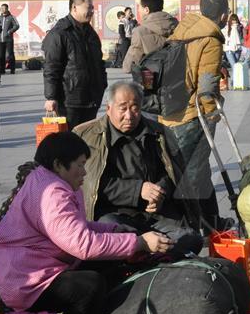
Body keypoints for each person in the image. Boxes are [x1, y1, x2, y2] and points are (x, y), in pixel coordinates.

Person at [0, 131, 173, 314]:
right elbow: (81, 244)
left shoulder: (48, 180)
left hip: (35, 267)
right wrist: (139, 242)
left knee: (109, 263)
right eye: (80, 165)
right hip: (24, 280)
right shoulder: (52, 193)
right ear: (58, 164)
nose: (85, 172)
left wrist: (117, 232)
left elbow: (77, 227)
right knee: (90, 286)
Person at [73, 81, 204, 254]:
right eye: (123, 108)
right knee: (112, 233)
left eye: (135, 108)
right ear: (109, 108)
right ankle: (144, 252)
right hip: (114, 215)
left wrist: (159, 193)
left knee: (191, 239)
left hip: (154, 214)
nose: (129, 115)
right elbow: (89, 184)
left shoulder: (158, 133)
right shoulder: (86, 135)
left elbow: (172, 175)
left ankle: (147, 256)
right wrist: (138, 190)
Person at [158, 0, 231, 231]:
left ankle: (210, 221)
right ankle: (193, 226)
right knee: (193, 175)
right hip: (191, 115)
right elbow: (207, 85)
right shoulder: (210, 38)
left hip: (169, 113)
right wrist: (212, 114)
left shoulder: (182, 31)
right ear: (222, 14)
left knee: (191, 172)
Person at [42, 0, 108, 131]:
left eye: (92, 8)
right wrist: (51, 97)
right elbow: (51, 67)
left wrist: (102, 84)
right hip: (69, 100)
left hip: (91, 98)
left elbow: (98, 62)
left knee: (87, 141)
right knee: (69, 143)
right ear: (74, 8)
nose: (91, 11)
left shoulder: (90, 33)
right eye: (88, 8)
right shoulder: (60, 33)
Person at [122, 0, 178, 73]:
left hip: (152, 81)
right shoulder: (178, 26)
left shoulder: (139, 32)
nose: (138, 10)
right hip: (177, 81)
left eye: (139, 7)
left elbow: (128, 67)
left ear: (146, 10)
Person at [0, 3, 20, 75]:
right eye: (1, 8)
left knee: (10, 54)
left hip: (8, 39)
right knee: (1, 55)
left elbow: (17, 25)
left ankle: (12, 69)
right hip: (0, 39)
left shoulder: (11, 17)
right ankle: (2, 70)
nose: (2, 10)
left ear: (7, 9)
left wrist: (10, 31)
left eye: (4, 8)